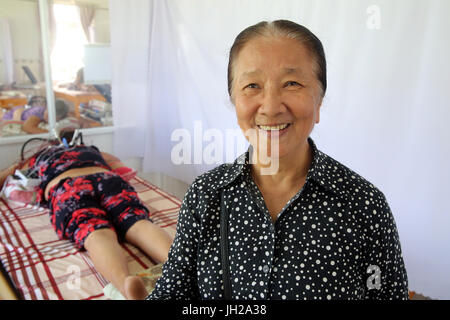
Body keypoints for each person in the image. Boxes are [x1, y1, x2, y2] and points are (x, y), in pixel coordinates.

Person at [146, 20, 408, 300]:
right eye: (252, 85)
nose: (270, 107)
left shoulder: (364, 206)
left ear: (319, 101)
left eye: (292, 83)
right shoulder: (205, 196)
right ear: (234, 100)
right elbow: (173, 293)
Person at [0, 139, 174, 300]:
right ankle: (184, 265)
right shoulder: (90, 149)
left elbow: (5, 179)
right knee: (137, 223)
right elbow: (115, 162)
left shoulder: (38, 158)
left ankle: (124, 282)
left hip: (67, 186)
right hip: (107, 178)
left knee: (95, 232)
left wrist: (20, 164)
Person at [0, 96, 69, 134]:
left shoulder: (62, 116)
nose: (47, 118)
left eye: (52, 117)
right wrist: (49, 133)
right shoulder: (38, 113)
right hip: (13, 114)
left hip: (21, 110)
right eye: (47, 114)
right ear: (46, 108)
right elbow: (27, 127)